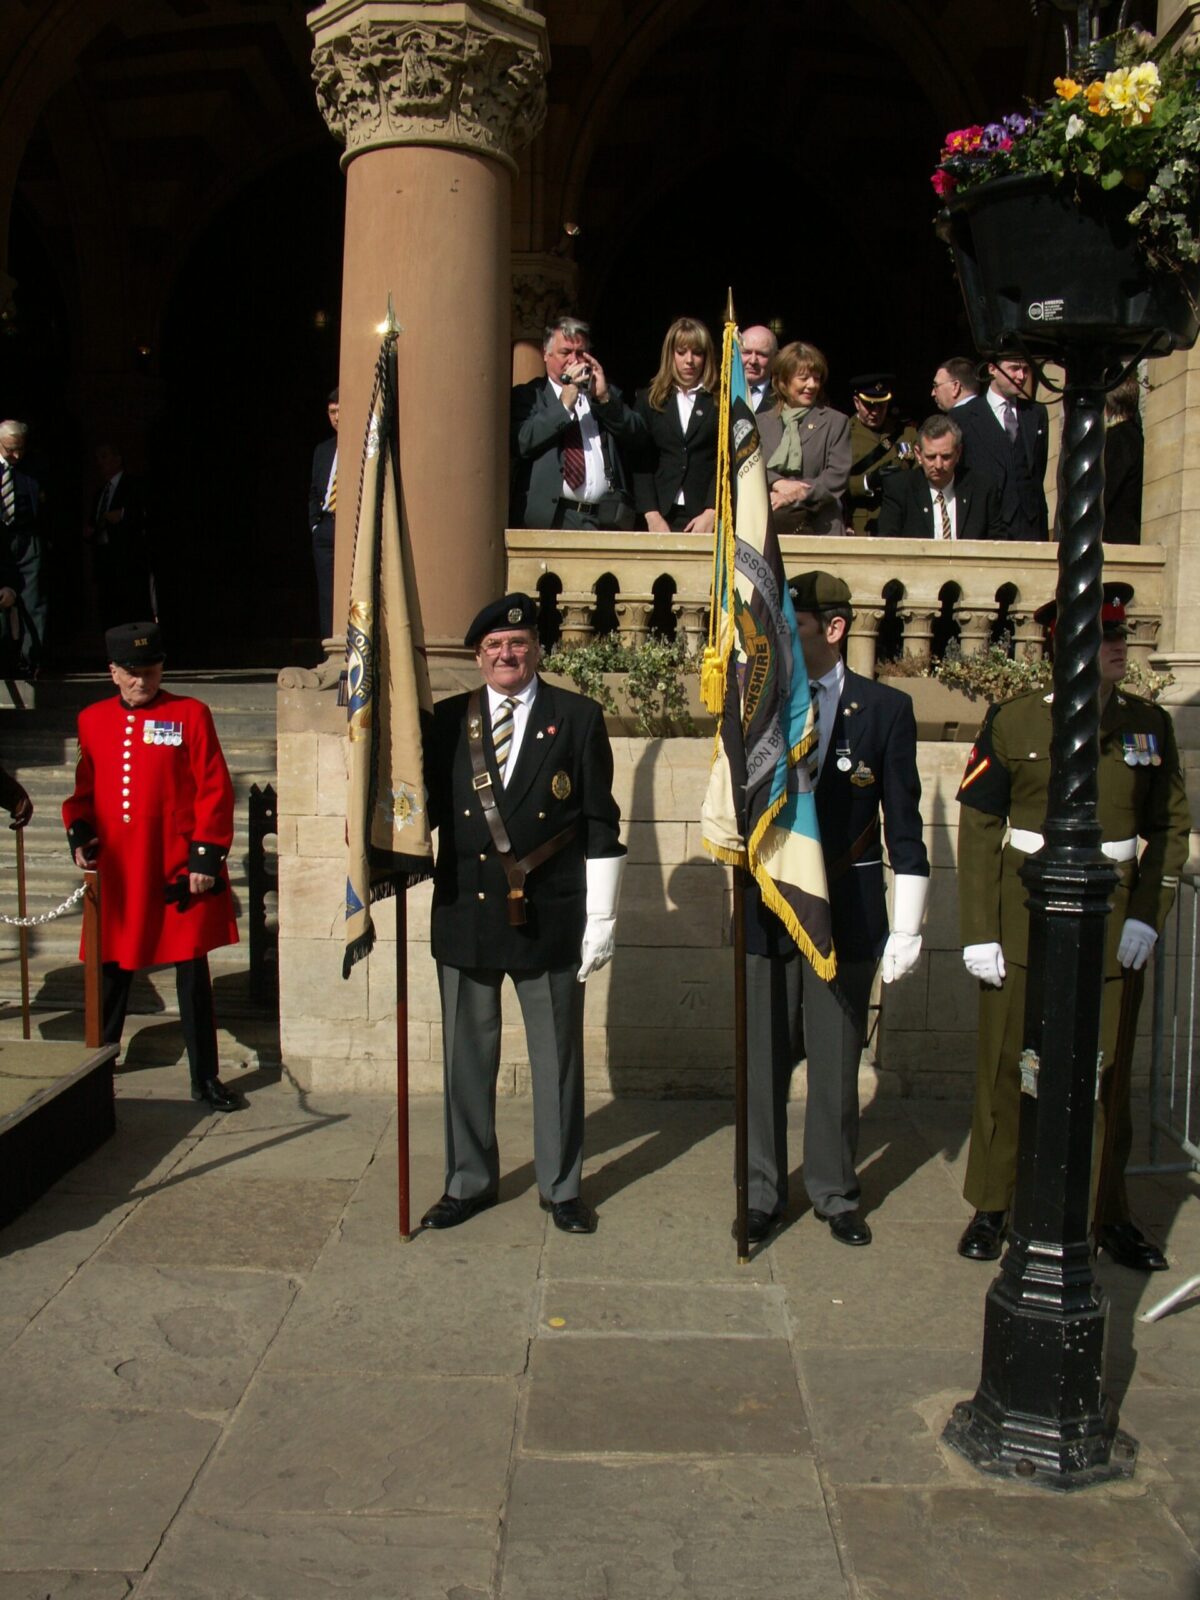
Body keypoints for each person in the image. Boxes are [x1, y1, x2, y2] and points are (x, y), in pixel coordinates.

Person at [955, 584, 1191, 1269]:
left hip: (1112, 924)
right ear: (1069, 647)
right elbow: (981, 825)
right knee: (1009, 1066)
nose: (1121, 645)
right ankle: (992, 1203)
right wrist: (980, 929)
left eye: (1122, 633)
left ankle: (1104, 1211)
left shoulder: (1148, 726)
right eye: (1106, 634)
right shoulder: (1015, 721)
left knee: (1106, 1073)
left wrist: (1147, 915)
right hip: (1025, 919)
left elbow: (1170, 827)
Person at [421, 592, 626, 1234]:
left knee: (557, 1059)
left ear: (537, 649)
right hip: (468, 910)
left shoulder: (577, 717)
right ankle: (467, 1182)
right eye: (493, 646)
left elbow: (600, 821)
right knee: (466, 1059)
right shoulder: (447, 721)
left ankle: (562, 1187)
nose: (506, 654)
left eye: (517, 643)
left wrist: (602, 919)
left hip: (551, 914)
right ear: (478, 657)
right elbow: (418, 809)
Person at [743, 571, 929, 1247]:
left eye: (793, 625)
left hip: (847, 906)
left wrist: (908, 923)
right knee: (763, 1059)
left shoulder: (884, 709)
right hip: (771, 902)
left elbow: (903, 821)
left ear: (835, 628)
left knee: (835, 1060)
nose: (780, 636)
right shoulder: (756, 704)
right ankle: (761, 1191)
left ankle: (833, 1190)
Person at [63, 621, 242, 1112]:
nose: (143, 680)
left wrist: (206, 854)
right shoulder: (92, 719)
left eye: (152, 670)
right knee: (111, 967)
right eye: (133, 672)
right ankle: (97, 1065)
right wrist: (80, 833)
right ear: (113, 672)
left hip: (174, 866)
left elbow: (213, 787)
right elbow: (84, 790)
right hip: (121, 868)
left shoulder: (190, 713)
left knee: (191, 973)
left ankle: (205, 1077)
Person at [509, 316, 641, 530]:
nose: (574, 360)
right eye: (565, 352)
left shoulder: (604, 395)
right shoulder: (529, 395)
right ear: (546, 354)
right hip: (553, 518)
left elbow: (637, 436)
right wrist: (563, 406)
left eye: (580, 353)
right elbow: (521, 442)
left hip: (604, 518)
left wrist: (604, 399)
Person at [632, 317, 719, 533]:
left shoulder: (721, 400)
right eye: (681, 352)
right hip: (660, 515)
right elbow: (640, 460)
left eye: (697, 353)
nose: (689, 360)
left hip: (704, 515)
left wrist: (712, 511)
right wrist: (651, 515)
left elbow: (727, 460)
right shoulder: (649, 400)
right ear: (670, 355)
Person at [756, 343, 851, 535]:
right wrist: (777, 482)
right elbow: (748, 468)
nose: (812, 385)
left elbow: (837, 476)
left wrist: (797, 494)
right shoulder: (760, 423)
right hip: (768, 527)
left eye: (816, 378)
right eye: (804, 378)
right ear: (783, 381)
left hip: (820, 527)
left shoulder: (836, 422)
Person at [952, 354, 1050, 539]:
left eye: (1025, 369)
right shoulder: (963, 416)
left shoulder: (1036, 413)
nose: (1021, 376)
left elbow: (1038, 467)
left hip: (1029, 525)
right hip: (983, 524)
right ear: (992, 369)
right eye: (1014, 368)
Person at [875, 414, 1004, 539]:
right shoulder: (899, 489)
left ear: (958, 453)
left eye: (946, 457)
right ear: (918, 454)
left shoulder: (982, 488)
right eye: (931, 457)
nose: (938, 465)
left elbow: (998, 541)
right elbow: (887, 541)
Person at [84, 444, 153, 627]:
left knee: (132, 609)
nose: (100, 463)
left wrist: (123, 515)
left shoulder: (133, 485)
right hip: (105, 559)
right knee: (110, 609)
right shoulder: (100, 493)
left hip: (127, 558)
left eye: (104, 456)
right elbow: (94, 522)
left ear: (117, 459)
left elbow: (144, 513)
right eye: (98, 458)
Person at [844, 374, 918, 533]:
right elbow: (833, 484)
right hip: (862, 522)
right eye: (869, 405)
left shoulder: (906, 433)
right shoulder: (843, 434)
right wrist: (867, 481)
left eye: (881, 405)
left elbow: (921, 474)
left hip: (901, 521)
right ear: (857, 402)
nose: (875, 412)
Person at [0, 419, 46, 677]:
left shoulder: (32, 468)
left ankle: (31, 661)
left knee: (33, 600)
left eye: (20, 449)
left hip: (27, 539)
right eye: (10, 449)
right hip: (0, 539)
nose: (16, 455)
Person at [308, 388, 339, 638]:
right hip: (326, 526)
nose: (336, 417)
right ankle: (329, 646)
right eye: (332, 412)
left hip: (350, 526)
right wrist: (315, 525)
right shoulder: (323, 450)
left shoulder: (362, 446)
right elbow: (314, 491)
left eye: (340, 411)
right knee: (327, 594)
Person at [1102, 374, 1144, 544]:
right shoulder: (1136, 436)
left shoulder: (1119, 438)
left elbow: (1107, 487)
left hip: (1115, 534)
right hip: (1130, 531)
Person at [741, 325, 778, 413]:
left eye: (761, 354)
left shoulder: (783, 398)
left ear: (775, 357)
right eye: (747, 352)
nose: (753, 361)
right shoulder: (719, 394)